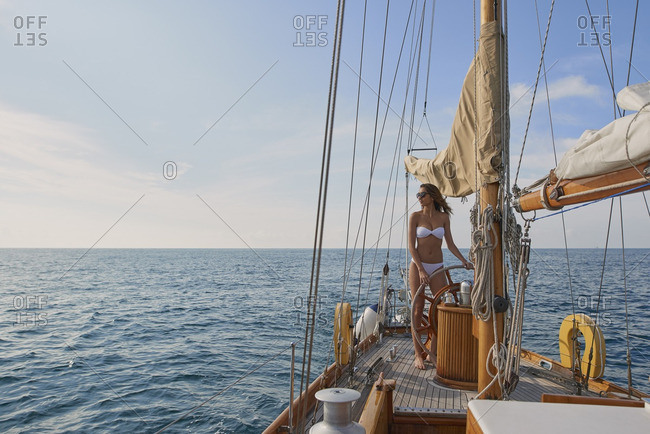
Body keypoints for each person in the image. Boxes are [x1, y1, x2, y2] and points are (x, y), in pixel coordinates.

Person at [408, 183, 472, 370]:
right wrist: (420, 269)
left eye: (422, 194)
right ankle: (418, 354)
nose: (419, 197)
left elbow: (450, 244)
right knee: (417, 309)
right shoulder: (415, 217)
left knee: (438, 308)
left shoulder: (444, 217)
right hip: (418, 265)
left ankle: (432, 352)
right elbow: (412, 247)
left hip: (437, 265)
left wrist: (463, 260)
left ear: (433, 196)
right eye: (418, 194)